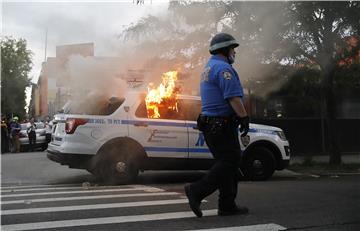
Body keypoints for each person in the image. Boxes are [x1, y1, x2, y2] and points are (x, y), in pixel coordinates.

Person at [184, 33, 250, 217]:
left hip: (212, 125)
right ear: (224, 49)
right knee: (230, 161)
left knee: (227, 164)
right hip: (221, 125)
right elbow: (233, 97)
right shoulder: (223, 69)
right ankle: (196, 190)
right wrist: (244, 117)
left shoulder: (209, 67)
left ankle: (227, 205)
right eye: (232, 49)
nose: (234, 52)